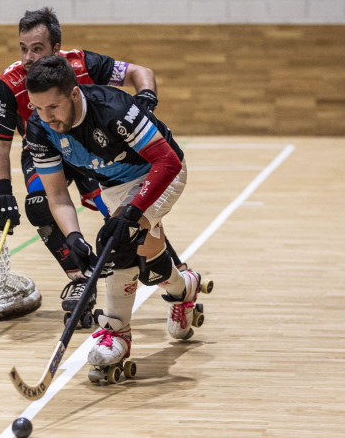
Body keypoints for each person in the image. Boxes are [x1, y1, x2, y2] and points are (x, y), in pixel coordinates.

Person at [24, 55, 210, 371]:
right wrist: (72, 237)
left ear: (73, 94)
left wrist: (132, 212)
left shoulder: (113, 108)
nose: (46, 117)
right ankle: (183, 288)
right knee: (150, 262)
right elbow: (56, 194)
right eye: (37, 108)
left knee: (117, 239)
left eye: (52, 108)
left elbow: (168, 163)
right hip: (115, 186)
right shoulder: (40, 128)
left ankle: (116, 334)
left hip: (159, 172)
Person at [0, 7, 160, 318]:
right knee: (40, 204)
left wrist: (146, 99)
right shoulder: (10, 82)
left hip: (89, 146)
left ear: (56, 49)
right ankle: (82, 277)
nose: (28, 58)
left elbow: (140, 72)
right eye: (23, 48)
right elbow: (0, 144)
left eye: (37, 49)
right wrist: (2, 193)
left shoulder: (81, 64)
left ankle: (169, 266)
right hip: (44, 150)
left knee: (124, 220)